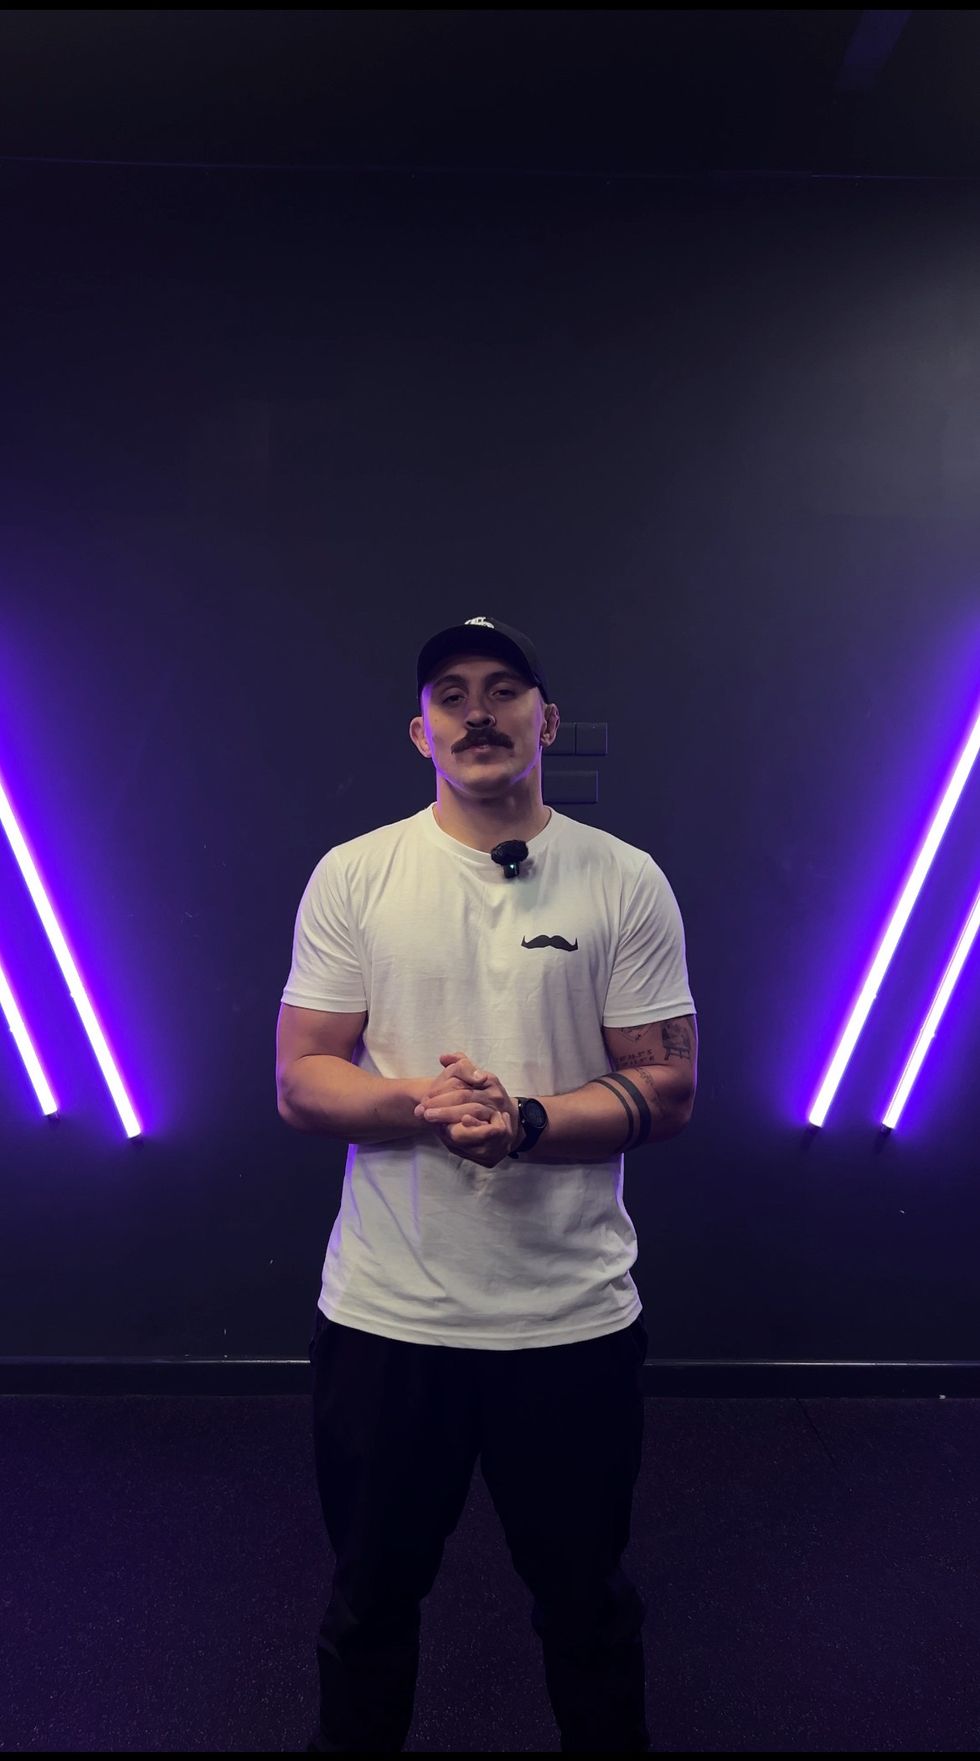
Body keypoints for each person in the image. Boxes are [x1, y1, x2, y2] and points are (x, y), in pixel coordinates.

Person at [276, 615, 697, 1754]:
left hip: (567, 1321)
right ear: (419, 730)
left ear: (543, 721)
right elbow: (303, 1081)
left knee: (586, 1612)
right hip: (387, 1319)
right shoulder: (356, 874)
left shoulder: (623, 880)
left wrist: (519, 1125)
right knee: (367, 1611)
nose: (477, 711)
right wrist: (427, 1105)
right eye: (451, 694)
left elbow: (665, 1089)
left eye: (504, 689)